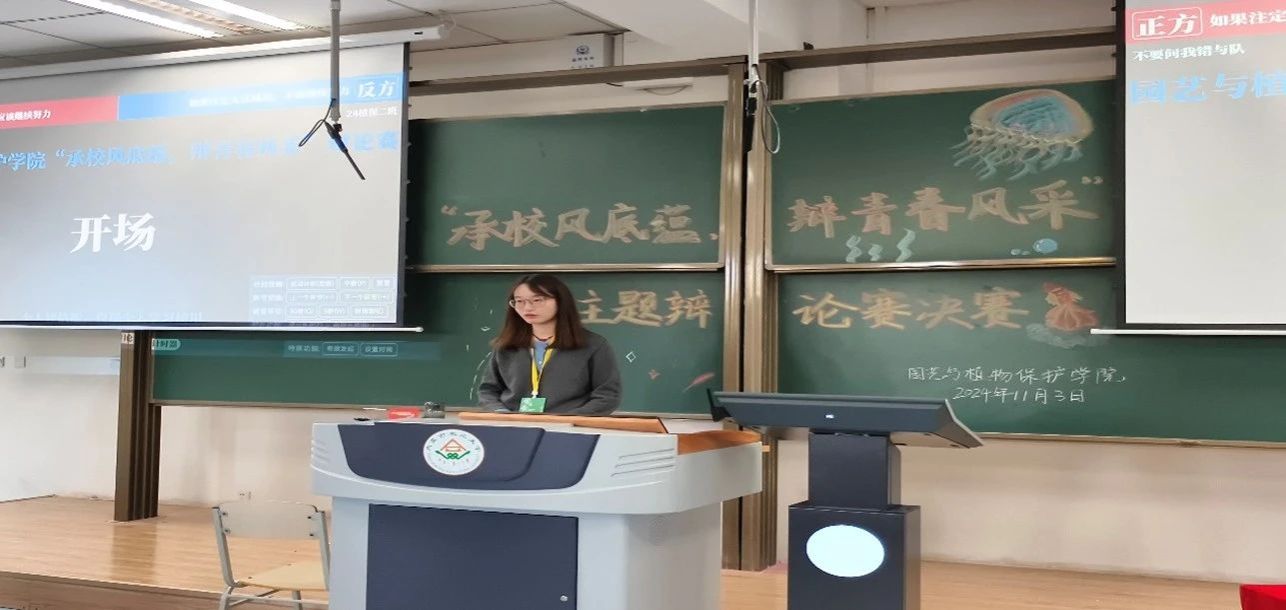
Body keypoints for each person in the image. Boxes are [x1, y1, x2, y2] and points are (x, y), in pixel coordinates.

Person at [478, 274, 622, 415]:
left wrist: (568, 419)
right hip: (514, 424)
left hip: (569, 426)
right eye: (519, 301)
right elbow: (488, 391)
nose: (527, 308)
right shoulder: (506, 346)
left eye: (537, 300)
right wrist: (501, 414)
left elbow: (607, 396)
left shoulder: (593, 345)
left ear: (560, 301)